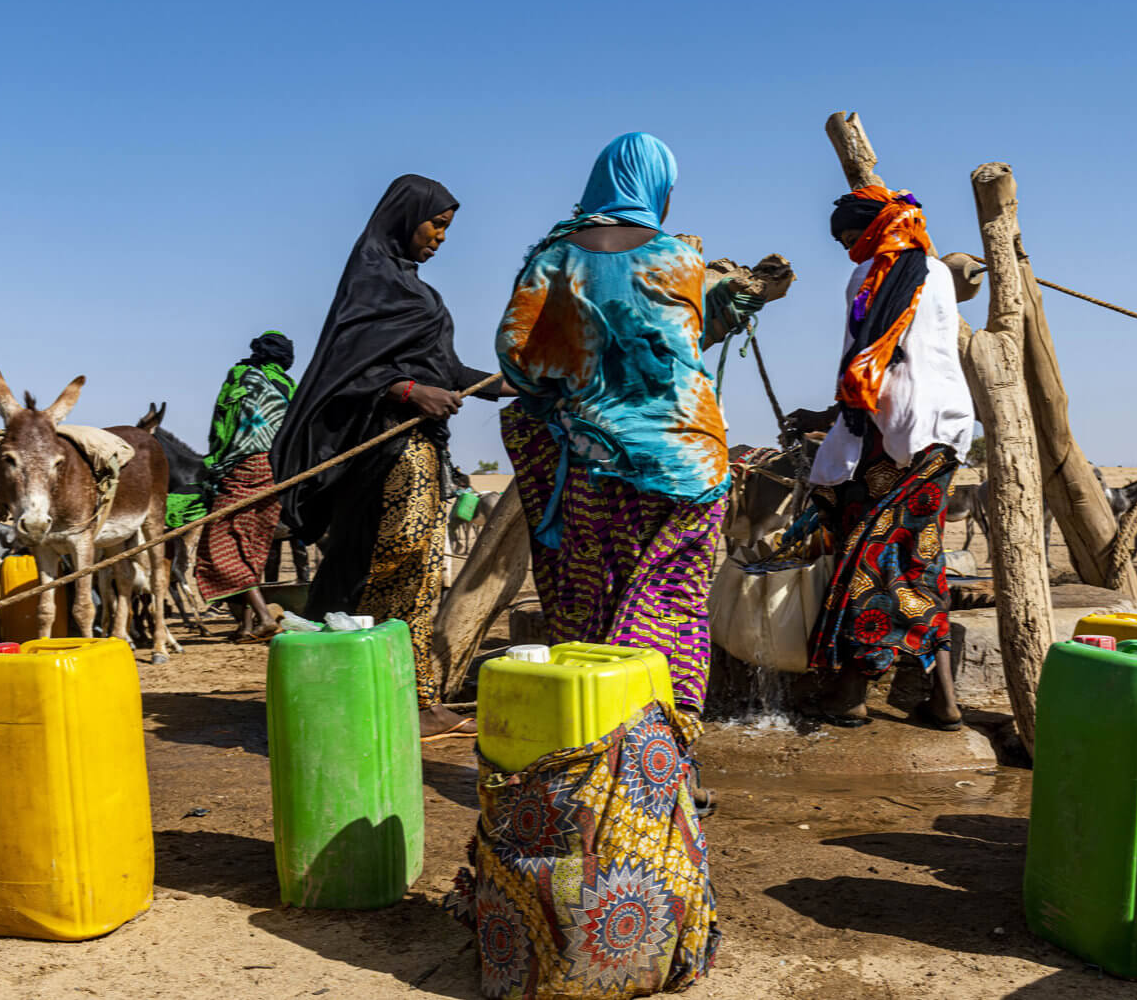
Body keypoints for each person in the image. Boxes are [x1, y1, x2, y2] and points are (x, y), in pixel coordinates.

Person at [497, 132, 773, 738]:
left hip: (598, 462)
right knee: (671, 606)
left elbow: (518, 358)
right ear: (657, 190)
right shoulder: (681, 258)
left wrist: (575, 380)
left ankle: (601, 748)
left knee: (594, 599)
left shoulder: (553, 259)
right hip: (689, 464)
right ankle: (669, 758)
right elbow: (681, 341)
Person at [271, 175, 507, 740]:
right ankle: (397, 696)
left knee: (422, 568)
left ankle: (406, 694)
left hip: (420, 447)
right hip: (384, 449)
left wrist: (520, 383)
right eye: (437, 224)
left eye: (448, 229)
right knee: (400, 564)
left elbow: (447, 374)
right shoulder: (372, 280)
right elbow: (342, 372)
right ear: (407, 219)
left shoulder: (416, 289)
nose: (442, 238)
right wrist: (404, 392)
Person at [785, 185, 975, 730]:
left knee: (868, 555)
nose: (850, 247)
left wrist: (832, 418)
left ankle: (850, 691)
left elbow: (871, 361)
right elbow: (916, 356)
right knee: (921, 556)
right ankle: (943, 699)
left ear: (869, 228)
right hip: (944, 433)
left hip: (891, 437)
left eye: (851, 236)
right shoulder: (935, 271)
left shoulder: (875, 270)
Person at [194, 331, 297, 642]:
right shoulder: (290, 386)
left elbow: (224, 424)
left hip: (245, 466)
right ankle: (248, 625)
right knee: (251, 545)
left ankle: (264, 618)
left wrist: (216, 463)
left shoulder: (242, 375)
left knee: (219, 546)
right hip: (278, 471)